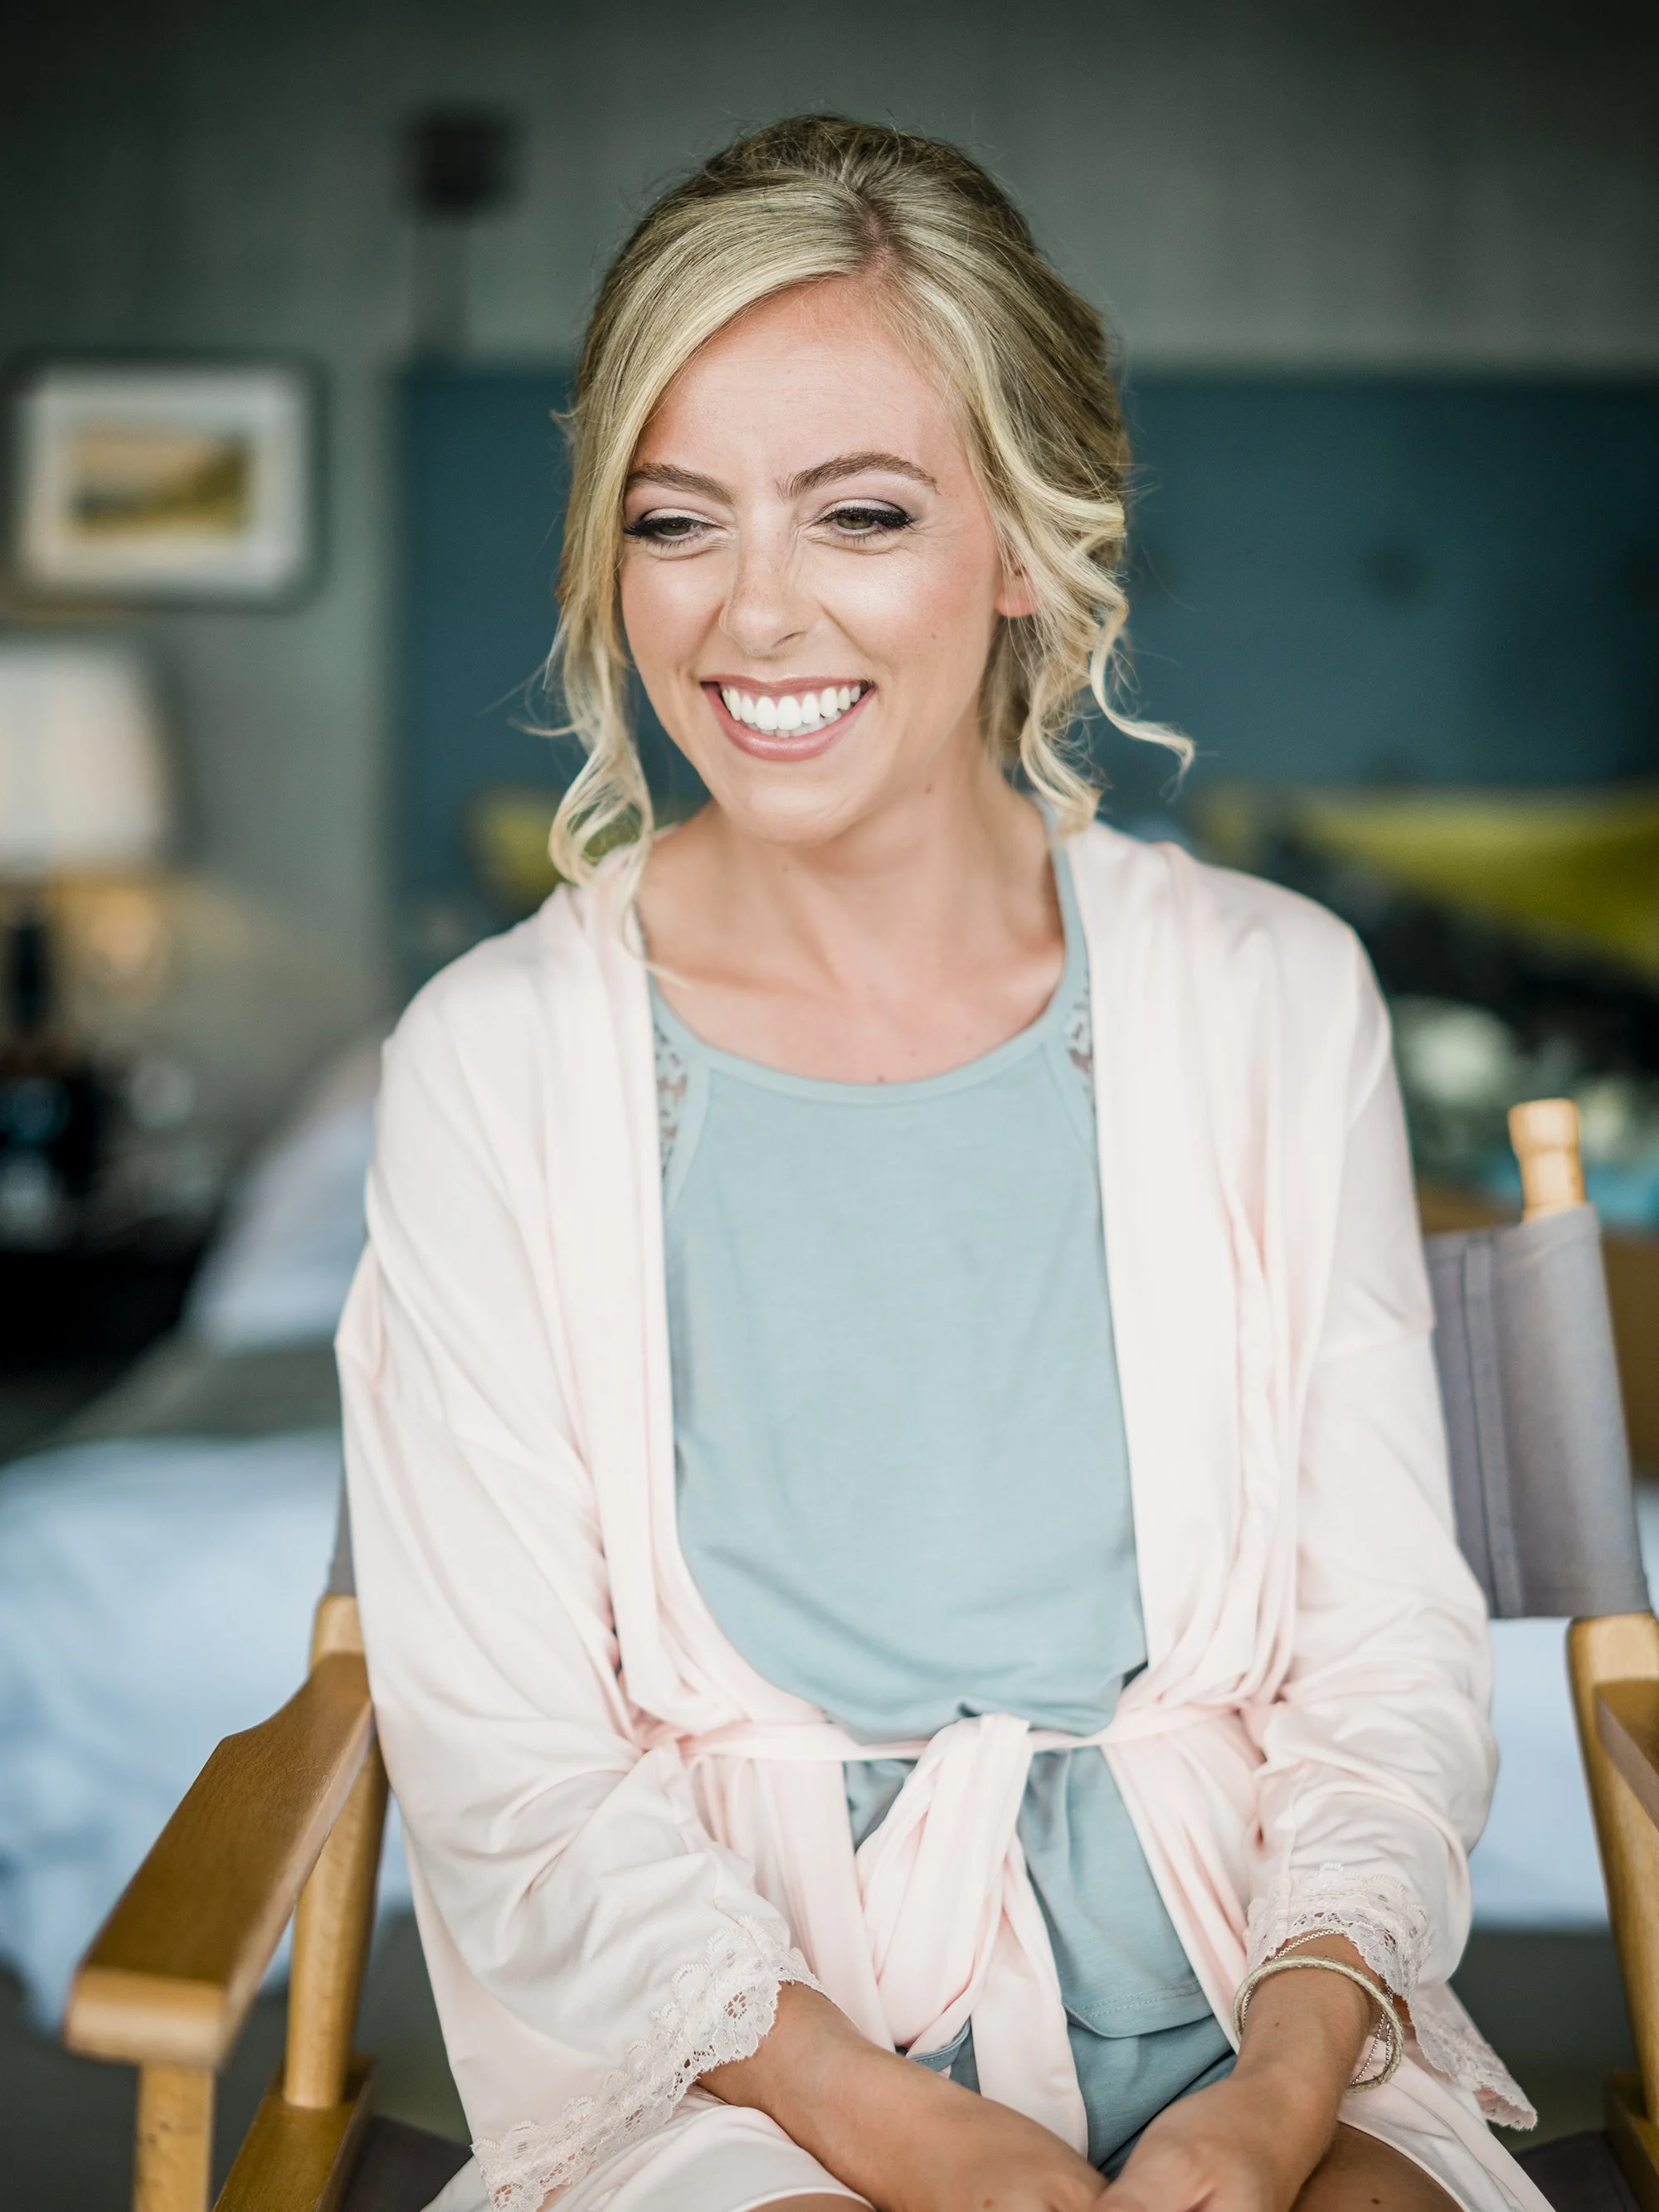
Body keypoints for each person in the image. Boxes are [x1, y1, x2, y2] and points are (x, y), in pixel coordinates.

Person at [339, 117, 1545, 2212]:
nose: (752, 615)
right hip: (738, 2068)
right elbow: (516, 1767)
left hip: (1271, 2009)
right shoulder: (492, 1064)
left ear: (1022, 540)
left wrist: (1268, 2105)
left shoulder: (1275, 996)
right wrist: (932, 2151)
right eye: (676, 520)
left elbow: (1384, 1656)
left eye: (861, 511)